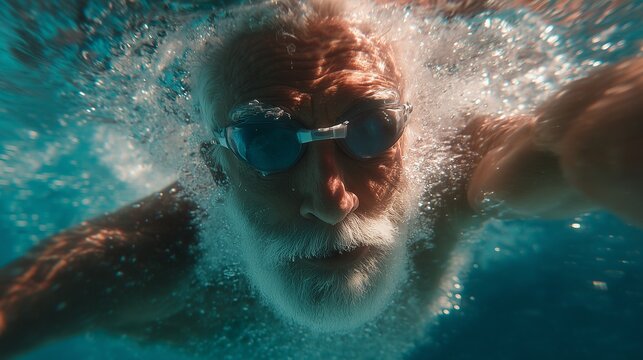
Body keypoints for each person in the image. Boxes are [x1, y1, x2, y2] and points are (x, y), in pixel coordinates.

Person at [0, 0, 641, 358]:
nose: (333, 202)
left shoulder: (450, 173)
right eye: (268, 144)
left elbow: (543, 153)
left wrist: (597, 138)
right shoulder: (146, 259)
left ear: (413, 140)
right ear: (212, 170)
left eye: (369, 132)